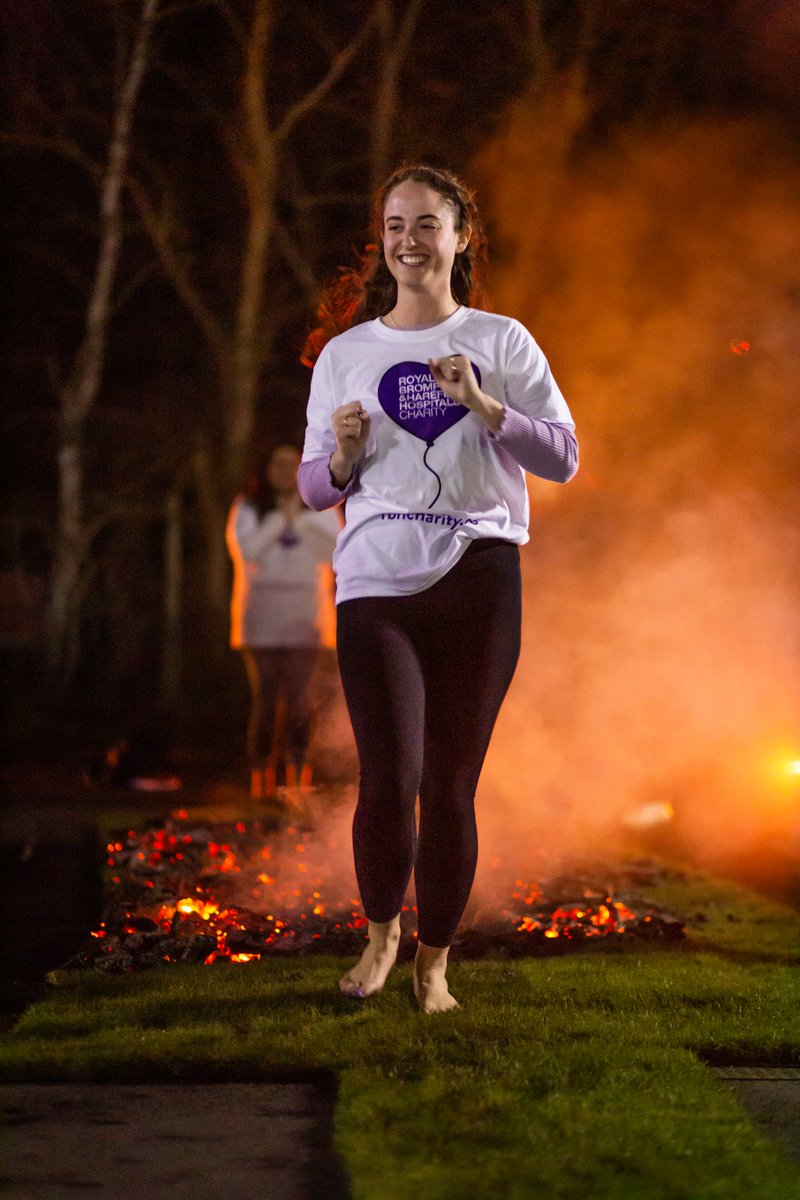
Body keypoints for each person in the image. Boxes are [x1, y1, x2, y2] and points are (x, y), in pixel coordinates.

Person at [298, 164, 578, 1013]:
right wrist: (343, 457)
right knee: (388, 776)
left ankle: (434, 966)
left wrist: (488, 407)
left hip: (481, 577)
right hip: (376, 585)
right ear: (380, 241)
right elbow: (316, 487)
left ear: (461, 238)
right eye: (394, 225)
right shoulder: (347, 354)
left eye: (427, 224)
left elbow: (562, 457)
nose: (409, 240)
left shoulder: (503, 340)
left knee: (450, 785)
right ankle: (379, 939)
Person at [226, 443, 340, 799]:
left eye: (292, 464)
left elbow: (334, 552)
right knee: (265, 697)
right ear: (265, 468)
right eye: (277, 463)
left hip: (307, 619)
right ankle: (260, 780)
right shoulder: (247, 507)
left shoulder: (321, 507)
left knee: (299, 700)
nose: (284, 470)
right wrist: (280, 519)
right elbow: (248, 553)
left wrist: (300, 521)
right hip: (260, 621)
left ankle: (297, 780)